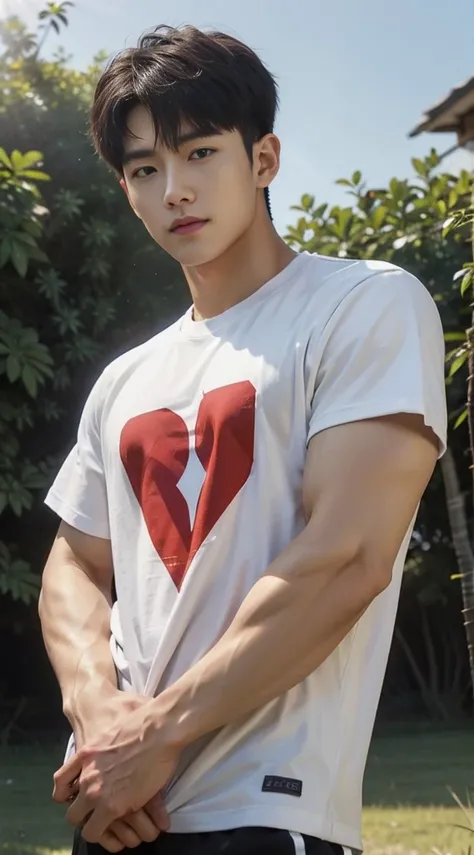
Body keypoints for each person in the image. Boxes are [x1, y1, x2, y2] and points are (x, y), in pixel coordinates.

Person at [39, 23, 446, 855]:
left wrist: (160, 734)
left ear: (264, 160)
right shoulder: (124, 378)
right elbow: (73, 562)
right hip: (116, 812)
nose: (174, 189)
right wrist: (100, 715)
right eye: (146, 169)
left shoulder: (364, 303)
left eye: (199, 154)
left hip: (265, 812)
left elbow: (347, 557)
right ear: (126, 190)